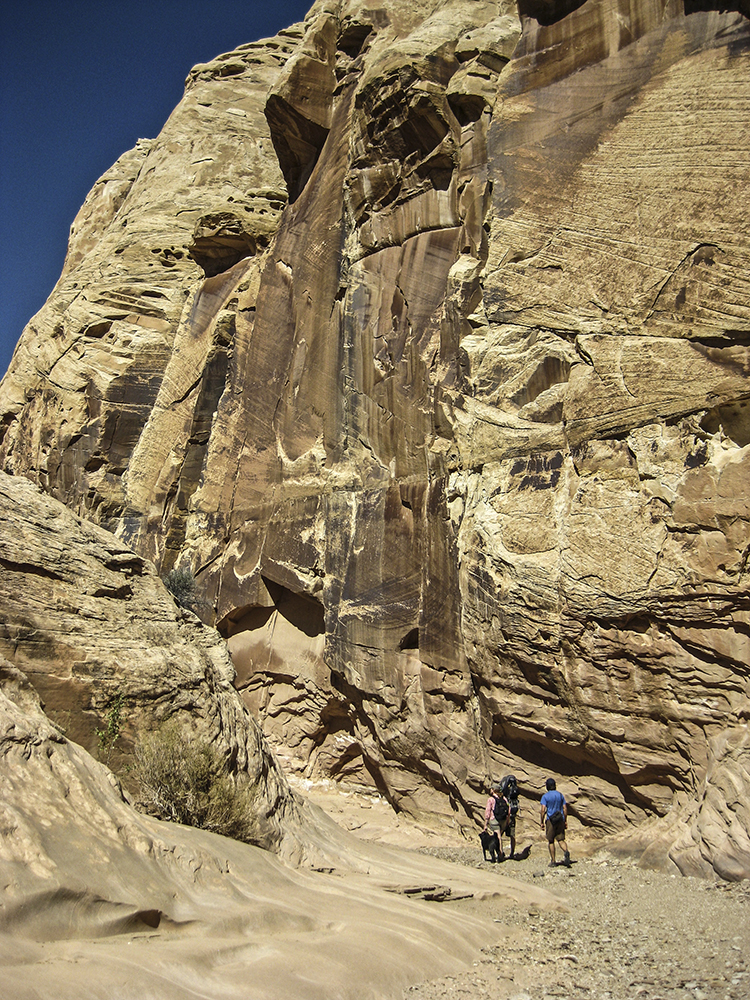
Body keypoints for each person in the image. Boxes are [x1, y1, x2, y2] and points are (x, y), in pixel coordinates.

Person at [540, 777, 570, 867]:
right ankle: (566, 852)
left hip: (550, 820)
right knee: (561, 840)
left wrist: (541, 821)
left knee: (551, 841)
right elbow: (565, 808)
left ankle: (553, 861)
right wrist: (565, 820)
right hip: (560, 819)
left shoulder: (545, 796)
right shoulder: (560, 795)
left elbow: (542, 810)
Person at [482, 781, 509, 861]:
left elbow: (488, 812)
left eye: (491, 789)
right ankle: (500, 853)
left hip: (494, 819)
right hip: (503, 820)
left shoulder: (491, 799)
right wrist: (507, 821)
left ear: (493, 790)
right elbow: (508, 810)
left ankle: (500, 854)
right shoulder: (504, 799)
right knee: (499, 836)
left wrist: (485, 824)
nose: (490, 790)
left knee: (498, 837)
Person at [499, 774, 520, 859]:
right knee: (512, 835)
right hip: (513, 816)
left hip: (505, 815)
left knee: (499, 833)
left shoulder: (506, 791)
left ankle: (500, 852)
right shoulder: (515, 790)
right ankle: (512, 853)